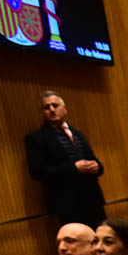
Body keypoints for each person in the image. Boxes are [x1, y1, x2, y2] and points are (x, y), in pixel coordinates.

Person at [25, 91, 106, 228]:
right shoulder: (36, 138)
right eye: (47, 107)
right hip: (67, 204)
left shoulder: (78, 134)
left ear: (65, 109)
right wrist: (74, 168)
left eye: (55, 105)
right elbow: (37, 172)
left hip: (93, 200)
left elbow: (96, 162)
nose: (51, 109)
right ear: (43, 112)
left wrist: (97, 167)